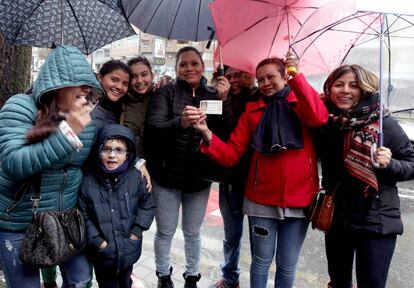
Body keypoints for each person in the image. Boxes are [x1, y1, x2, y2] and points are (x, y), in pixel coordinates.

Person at [194, 54, 328, 288]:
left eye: (271, 77)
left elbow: (319, 117)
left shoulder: (301, 103)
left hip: (300, 199)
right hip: (261, 200)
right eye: (260, 79)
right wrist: (207, 134)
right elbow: (231, 154)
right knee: (261, 261)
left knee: (287, 266)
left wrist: (297, 74)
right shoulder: (252, 111)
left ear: (285, 76)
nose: (265, 83)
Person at [0, 45, 102, 288]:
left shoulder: (86, 118)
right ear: (55, 84)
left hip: (65, 219)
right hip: (20, 222)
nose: (86, 89)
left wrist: (137, 162)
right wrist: (67, 134)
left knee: (80, 281)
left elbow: (110, 146)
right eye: (78, 82)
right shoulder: (20, 107)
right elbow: (14, 163)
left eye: (89, 84)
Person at [317, 64, 414, 288]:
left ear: (364, 89)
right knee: (339, 281)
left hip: (376, 219)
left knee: (371, 284)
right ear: (329, 89)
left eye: (353, 85)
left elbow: (410, 163)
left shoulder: (383, 124)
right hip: (338, 218)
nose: (345, 90)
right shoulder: (328, 122)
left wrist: (389, 164)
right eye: (338, 85)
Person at [146, 46, 232, 288]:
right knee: (165, 231)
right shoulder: (165, 93)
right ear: (176, 69)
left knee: (193, 232)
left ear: (203, 66)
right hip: (166, 176)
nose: (189, 68)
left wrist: (225, 101)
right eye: (183, 64)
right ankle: (163, 275)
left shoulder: (214, 94)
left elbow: (225, 134)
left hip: (199, 178)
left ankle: (192, 276)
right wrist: (180, 123)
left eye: (194, 63)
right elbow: (154, 130)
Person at [78, 124, 155, 288]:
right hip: (102, 253)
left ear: (128, 155)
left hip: (129, 248)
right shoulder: (89, 182)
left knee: (126, 282)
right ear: (98, 152)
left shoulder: (136, 177)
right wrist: (98, 241)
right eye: (106, 149)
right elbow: (83, 214)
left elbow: (147, 205)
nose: (112, 155)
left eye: (119, 150)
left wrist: (136, 232)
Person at [210, 66, 257, 288]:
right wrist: (223, 98)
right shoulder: (216, 97)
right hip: (229, 177)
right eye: (228, 76)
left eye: (238, 75)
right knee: (232, 234)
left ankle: (258, 279)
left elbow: (239, 130)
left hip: (255, 178)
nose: (233, 80)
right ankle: (230, 276)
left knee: (258, 238)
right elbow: (222, 133)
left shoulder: (256, 97)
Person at [121, 56, 154, 158]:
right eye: (134, 77)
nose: (139, 81)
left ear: (152, 75)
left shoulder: (161, 98)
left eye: (144, 74)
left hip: (155, 163)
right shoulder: (121, 100)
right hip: (128, 161)